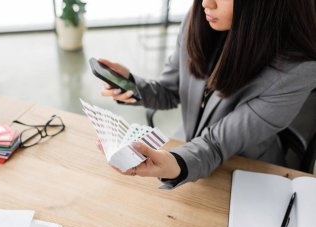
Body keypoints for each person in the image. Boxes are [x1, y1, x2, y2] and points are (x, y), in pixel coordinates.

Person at [97, 0, 316, 189]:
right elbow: (170, 90)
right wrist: (135, 87)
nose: (205, 3)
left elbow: (216, 144)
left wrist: (175, 163)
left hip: (243, 169)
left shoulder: (295, 71)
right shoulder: (201, 18)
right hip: (190, 148)